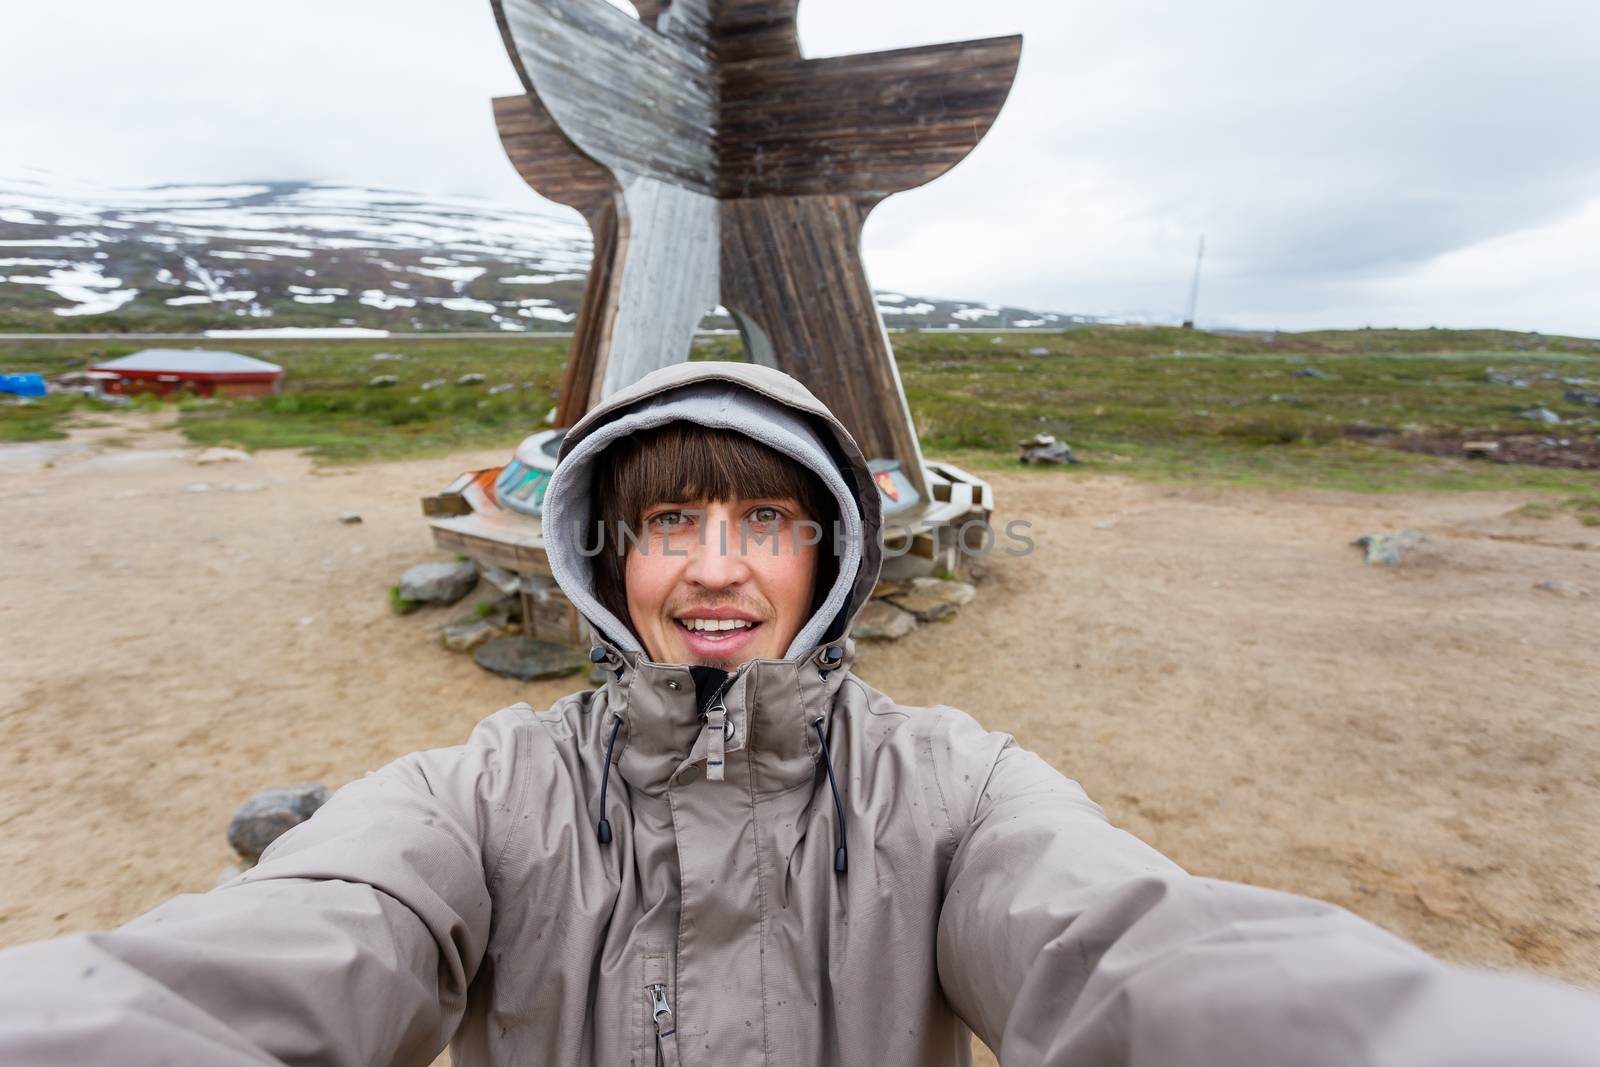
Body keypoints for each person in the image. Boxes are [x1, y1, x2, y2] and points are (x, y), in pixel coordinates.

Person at [0, 360, 1594, 1067]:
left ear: (829, 550)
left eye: (766, 522)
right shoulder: (483, 789)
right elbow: (280, 960)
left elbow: (1137, 959)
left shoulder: (955, 786)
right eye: (667, 524)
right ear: (600, 553)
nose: (711, 569)